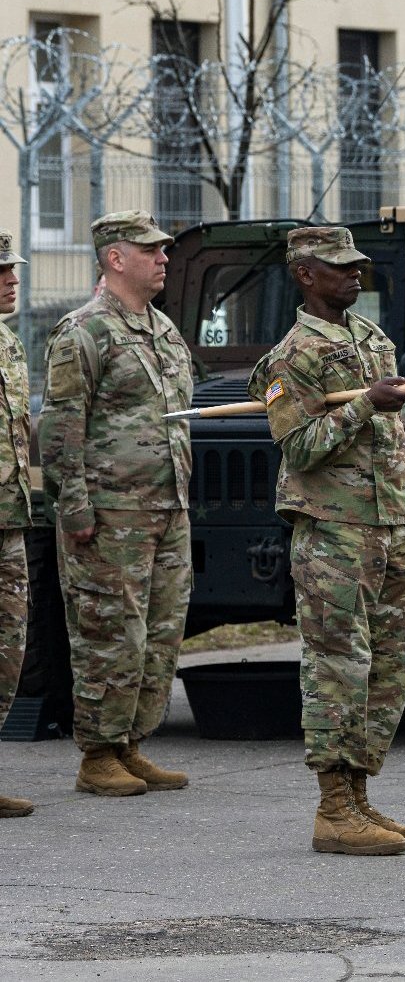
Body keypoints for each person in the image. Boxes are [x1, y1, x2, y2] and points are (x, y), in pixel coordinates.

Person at [247, 227, 405, 856]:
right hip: (334, 529)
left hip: (392, 524)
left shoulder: (372, 339)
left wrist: (385, 407)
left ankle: (359, 796)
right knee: (337, 668)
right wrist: (362, 408)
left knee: (388, 664)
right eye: (340, 268)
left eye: (358, 267)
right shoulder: (292, 356)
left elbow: (386, 436)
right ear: (305, 274)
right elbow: (296, 446)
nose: (354, 276)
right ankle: (331, 808)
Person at [40, 211, 192, 798]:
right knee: (109, 631)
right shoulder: (82, 331)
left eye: (164, 251)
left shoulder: (163, 330)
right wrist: (74, 505)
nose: (163, 259)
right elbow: (60, 428)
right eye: (150, 250)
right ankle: (97, 753)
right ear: (114, 258)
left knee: (160, 632)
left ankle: (132, 744)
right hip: (109, 514)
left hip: (167, 508)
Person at [0, 229, 32, 817]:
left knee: (9, 646)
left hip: (8, 517)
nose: (12, 278)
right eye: (0, 271)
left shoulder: (8, 343)